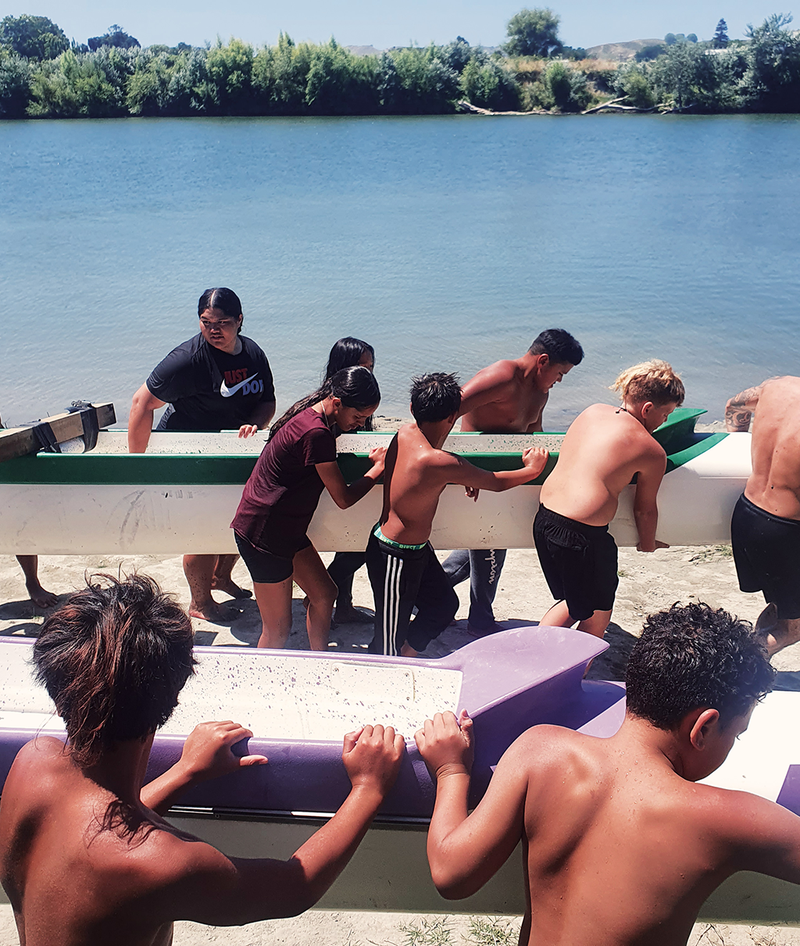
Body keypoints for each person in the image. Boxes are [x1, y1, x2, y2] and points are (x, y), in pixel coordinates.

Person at [0, 574, 404, 946]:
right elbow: (293, 888)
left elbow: (89, 834)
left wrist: (183, 772)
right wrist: (369, 788)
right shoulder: (165, 864)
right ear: (172, 700)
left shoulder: (32, 764)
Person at [413, 602, 800, 946]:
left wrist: (451, 771)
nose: (733, 745)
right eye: (736, 734)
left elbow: (451, 873)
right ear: (703, 729)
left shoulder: (540, 749)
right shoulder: (724, 819)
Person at [366, 373, 548, 657]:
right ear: (453, 416)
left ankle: (406, 656)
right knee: (386, 640)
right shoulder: (439, 462)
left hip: (417, 551)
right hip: (392, 555)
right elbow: (496, 481)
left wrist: (458, 474)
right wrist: (532, 470)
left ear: (413, 408)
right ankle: (385, 674)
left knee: (443, 606)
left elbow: (430, 467)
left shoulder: (405, 433)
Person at [128, 288, 276, 623]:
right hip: (187, 449)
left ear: (239, 320)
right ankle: (200, 602)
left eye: (223, 322)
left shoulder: (252, 353)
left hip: (228, 448)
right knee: (204, 525)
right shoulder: (188, 360)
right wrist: (136, 465)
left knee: (242, 517)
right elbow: (141, 403)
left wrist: (255, 423)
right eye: (206, 322)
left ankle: (220, 578)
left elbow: (267, 400)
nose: (214, 330)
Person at [232, 366, 385, 650]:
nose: (361, 424)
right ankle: (259, 683)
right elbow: (344, 498)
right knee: (277, 631)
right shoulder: (317, 434)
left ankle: (319, 660)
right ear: (337, 402)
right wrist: (377, 470)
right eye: (358, 417)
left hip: (284, 529)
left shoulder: (311, 415)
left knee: (325, 593)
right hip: (263, 534)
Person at [443, 329, 584, 635]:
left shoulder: (541, 392)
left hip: (505, 479)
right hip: (477, 479)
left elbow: (535, 437)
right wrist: (461, 466)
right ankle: (480, 620)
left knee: (486, 545)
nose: (560, 380)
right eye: (560, 373)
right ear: (542, 361)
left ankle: (428, 594)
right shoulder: (501, 377)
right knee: (491, 544)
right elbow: (446, 411)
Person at [534, 359, 684, 638]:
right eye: (666, 414)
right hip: (581, 538)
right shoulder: (651, 451)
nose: (665, 421)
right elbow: (645, 510)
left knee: (572, 602)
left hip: (544, 521)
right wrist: (648, 543)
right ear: (648, 408)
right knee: (597, 615)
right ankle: (562, 672)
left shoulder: (593, 411)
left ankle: (536, 659)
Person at [726, 376, 800, 655]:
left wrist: (736, 441)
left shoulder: (776, 386)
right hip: (783, 531)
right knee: (791, 630)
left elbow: (734, 407)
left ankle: (755, 659)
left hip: (746, 513)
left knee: (780, 609)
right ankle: (733, 671)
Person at [322, 338, 377, 625]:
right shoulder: (329, 407)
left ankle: (343, 605)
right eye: (361, 367)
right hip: (330, 485)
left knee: (352, 544)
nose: (367, 374)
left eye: (370, 367)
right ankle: (325, 592)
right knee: (357, 545)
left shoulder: (361, 400)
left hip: (351, 479)